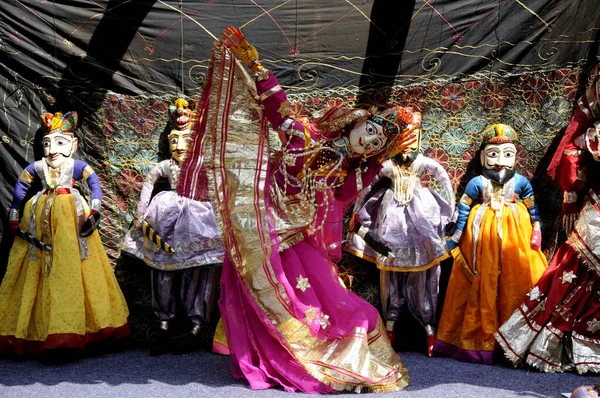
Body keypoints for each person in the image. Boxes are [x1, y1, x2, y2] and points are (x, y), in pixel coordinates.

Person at [178, 27, 416, 393]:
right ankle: (262, 357)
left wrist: (371, 164)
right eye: (370, 130)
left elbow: (347, 193)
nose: (367, 140)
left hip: (294, 240)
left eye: (376, 143)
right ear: (357, 121)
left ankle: (312, 358)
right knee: (257, 296)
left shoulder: (346, 172)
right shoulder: (303, 135)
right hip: (258, 227)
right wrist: (254, 65)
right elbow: (276, 105)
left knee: (321, 304)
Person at [0, 111, 129, 355]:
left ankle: (76, 329)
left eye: (60, 142)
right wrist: (15, 213)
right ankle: (40, 329)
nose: (52, 150)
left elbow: (95, 185)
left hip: (72, 216)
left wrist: (95, 211)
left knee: (75, 264)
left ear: (73, 145)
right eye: (46, 143)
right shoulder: (38, 167)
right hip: (38, 217)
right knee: (35, 264)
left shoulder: (77, 167)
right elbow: (21, 186)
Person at [494, 76, 600, 373]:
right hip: (597, 209)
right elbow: (573, 152)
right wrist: (571, 194)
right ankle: (560, 345)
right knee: (577, 271)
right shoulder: (593, 132)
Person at [434, 123, 547, 364]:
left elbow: (532, 207)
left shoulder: (521, 182)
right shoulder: (477, 183)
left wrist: (536, 227)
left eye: (507, 155)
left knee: (514, 281)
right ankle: (477, 341)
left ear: (515, 156)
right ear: (483, 156)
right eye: (494, 155)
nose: (500, 162)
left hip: (516, 236)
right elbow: (463, 209)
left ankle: (515, 340)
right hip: (479, 238)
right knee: (479, 280)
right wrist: (455, 237)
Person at [345, 114, 454, 356]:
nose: (407, 146)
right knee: (390, 273)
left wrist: (452, 214)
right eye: (403, 139)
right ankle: (390, 324)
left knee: (425, 275)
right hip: (391, 219)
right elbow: (367, 186)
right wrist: (356, 211)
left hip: (420, 219)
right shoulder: (387, 166)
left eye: (412, 139)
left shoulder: (423, 163)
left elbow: (444, 179)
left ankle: (428, 326)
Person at [122, 99, 223, 354]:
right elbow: (148, 182)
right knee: (163, 268)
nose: (179, 146)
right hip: (166, 216)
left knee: (198, 269)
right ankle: (164, 323)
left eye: (185, 139)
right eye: (174, 140)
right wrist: (140, 213)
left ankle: (196, 326)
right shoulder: (165, 167)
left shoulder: (202, 164)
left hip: (199, 217)